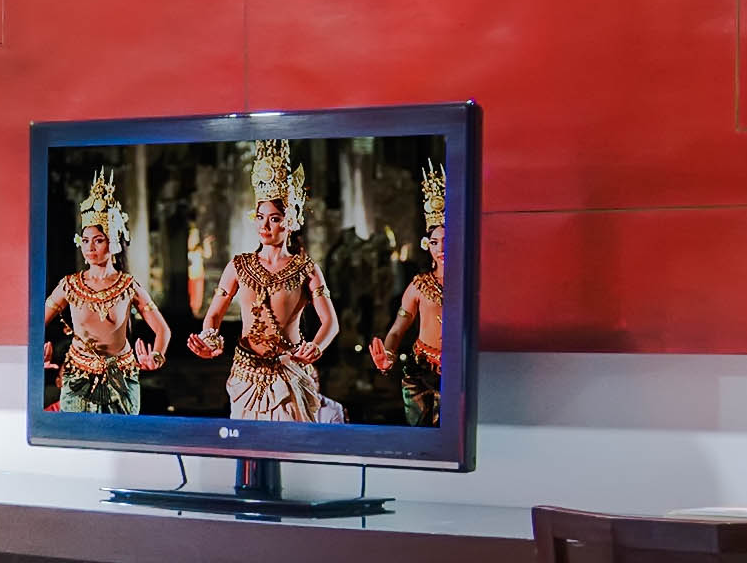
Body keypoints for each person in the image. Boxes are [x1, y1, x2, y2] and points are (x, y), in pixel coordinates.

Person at [196, 162, 341, 425]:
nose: (265, 225)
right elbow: (214, 315)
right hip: (246, 376)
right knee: (247, 445)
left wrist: (316, 347)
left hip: (289, 372)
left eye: (274, 219)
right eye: (260, 217)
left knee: (290, 446)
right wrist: (210, 338)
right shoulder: (238, 266)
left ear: (291, 221)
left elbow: (331, 322)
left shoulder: (305, 269)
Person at [40, 195, 172, 414]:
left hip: (121, 377)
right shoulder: (69, 285)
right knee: (75, 434)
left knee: (120, 434)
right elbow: (35, 325)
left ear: (114, 242)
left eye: (98, 240)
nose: (90, 247)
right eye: (85, 241)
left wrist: (156, 357)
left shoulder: (128, 286)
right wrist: (35, 354)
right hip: (77, 377)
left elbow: (163, 330)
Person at [368, 188, 449, 428]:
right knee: (423, 436)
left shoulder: (471, 285)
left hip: (460, 372)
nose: (441, 249)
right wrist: (388, 356)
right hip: (422, 375)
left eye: (448, 240)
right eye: (434, 242)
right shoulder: (419, 286)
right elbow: (397, 330)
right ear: (427, 246)